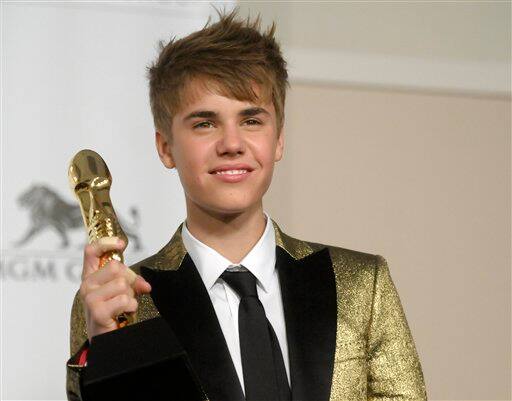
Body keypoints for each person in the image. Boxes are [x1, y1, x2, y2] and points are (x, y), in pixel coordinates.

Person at [66, 9, 427, 401]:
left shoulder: (362, 284)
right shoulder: (123, 301)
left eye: (252, 120)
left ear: (279, 140)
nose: (232, 143)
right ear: (165, 147)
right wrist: (110, 350)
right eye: (205, 123)